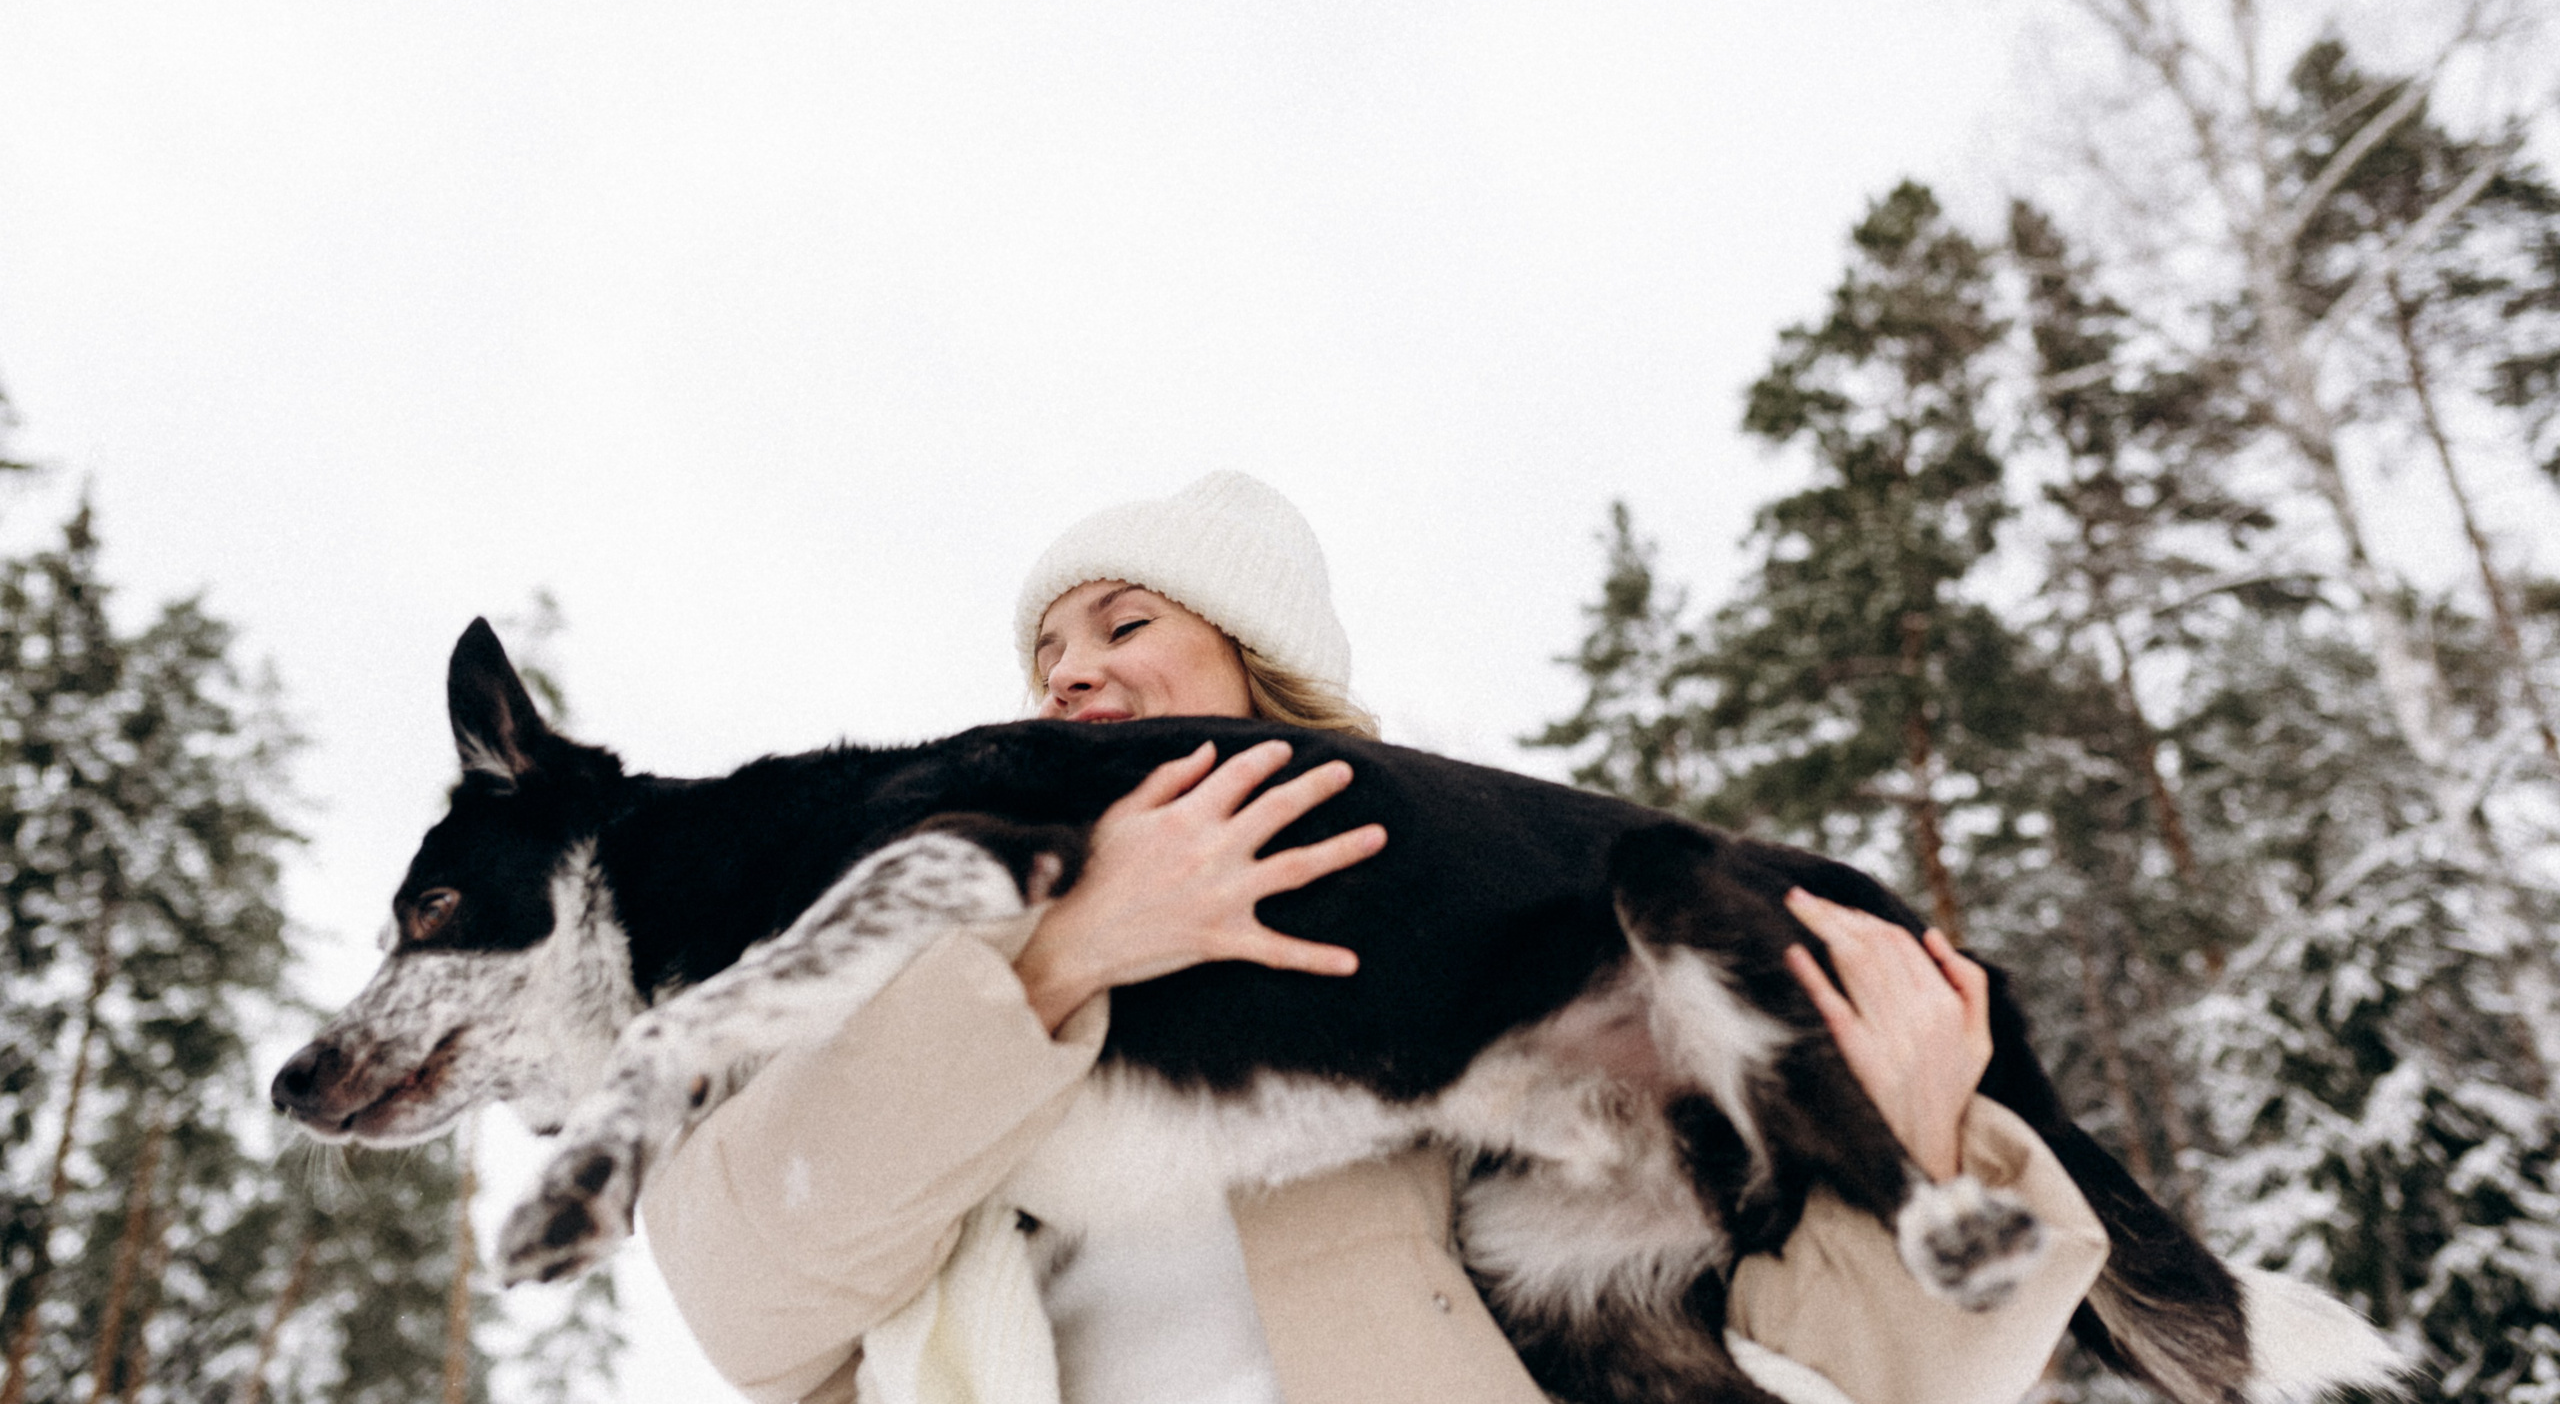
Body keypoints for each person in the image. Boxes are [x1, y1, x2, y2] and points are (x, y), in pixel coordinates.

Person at [641, 472, 2108, 1404]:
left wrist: (1897, 1152)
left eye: (1122, 623)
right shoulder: (915, 971)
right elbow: (744, 1309)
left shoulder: (1511, 977)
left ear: (1261, 680)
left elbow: (1813, 1377)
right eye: (1045, 654)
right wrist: (1052, 968)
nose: (1066, 672)